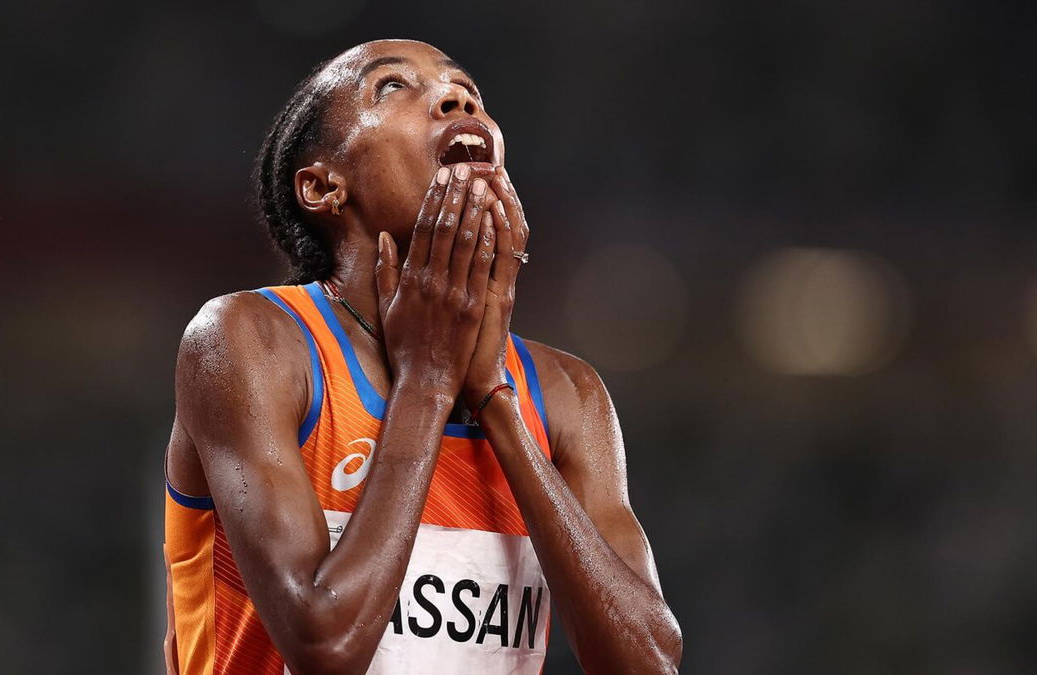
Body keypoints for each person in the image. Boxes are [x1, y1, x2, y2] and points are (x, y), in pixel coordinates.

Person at [163, 39, 682, 674]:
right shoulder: (254, 341)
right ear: (324, 186)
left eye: (468, 91)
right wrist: (429, 380)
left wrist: (495, 399)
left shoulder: (566, 392)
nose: (458, 98)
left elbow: (650, 662)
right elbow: (325, 647)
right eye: (391, 87)